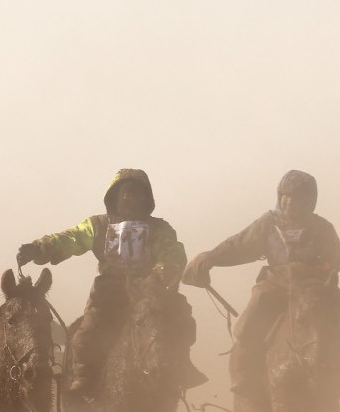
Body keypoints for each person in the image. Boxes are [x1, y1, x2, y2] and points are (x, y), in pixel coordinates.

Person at [17, 169, 207, 395]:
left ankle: (182, 367)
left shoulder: (160, 229)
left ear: (146, 199)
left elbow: (173, 254)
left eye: (136, 193)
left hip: (151, 290)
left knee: (182, 315)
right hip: (109, 291)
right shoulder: (98, 225)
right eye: (124, 193)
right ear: (114, 197)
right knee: (85, 336)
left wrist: (158, 276)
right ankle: (84, 379)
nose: (129, 198)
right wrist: (40, 248)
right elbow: (73, 238)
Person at [183, 170, 340, 401]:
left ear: (310, 201)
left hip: (315, 288)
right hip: (275, 284)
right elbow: (240, 244)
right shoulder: (269, 223)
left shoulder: (322, 227)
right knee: (247, 325)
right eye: (284, 195)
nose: (288, 202)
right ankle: (244, 379)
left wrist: (314, 271)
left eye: (297, 198)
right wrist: (210, 257)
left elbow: (336, 259)